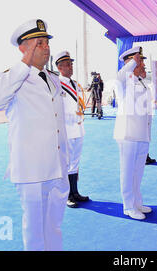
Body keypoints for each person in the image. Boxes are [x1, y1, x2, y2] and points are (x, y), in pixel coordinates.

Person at [0, 19, 70, 251]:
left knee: (54, 226)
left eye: (46, 43)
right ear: (23, 48)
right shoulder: (12, 78)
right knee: (34, 233)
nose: (46, 48)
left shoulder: (53, 78)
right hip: (32, 169)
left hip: (57, 165)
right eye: (39, 43)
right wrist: (24, 63)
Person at [114, 46, 153, 220]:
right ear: (131, 62)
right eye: (140, 60)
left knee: (138, 171)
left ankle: (137, 201)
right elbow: (120, 75)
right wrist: (132, 63)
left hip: (141, 133)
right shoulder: (123, 81)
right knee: (128, 171)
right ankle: (128, 206)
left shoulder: (140, 81)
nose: (143, 63)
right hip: (128, 134)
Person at [55, 51, 90, 208]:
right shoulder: (56, 84)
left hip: (78, 128)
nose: (71, 67)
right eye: (67, 64)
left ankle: (75, 192)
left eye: (71, 64)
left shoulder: (75, 84)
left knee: (75, 162)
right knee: (66, 163)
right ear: (60, 67)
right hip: (66, 130)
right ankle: (67, 195)